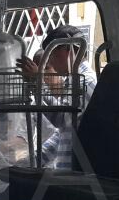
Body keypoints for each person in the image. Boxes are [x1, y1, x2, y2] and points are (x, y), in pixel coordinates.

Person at [16, 24, 97, 170]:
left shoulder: (84, 81)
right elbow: (62, 134)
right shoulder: (75, 80)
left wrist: (37, 83)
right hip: (67, 170)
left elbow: (62, 119)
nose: (50, 62)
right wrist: (30, 162)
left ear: (67, 50)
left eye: (52, 55)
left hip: (76, 172)